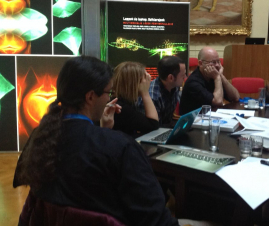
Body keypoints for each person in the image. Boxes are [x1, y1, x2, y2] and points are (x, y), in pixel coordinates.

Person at [13, 56, 179, 226]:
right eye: (108, 92)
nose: (109, 99)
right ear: (90, 97)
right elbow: (157, 220)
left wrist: (103, 132)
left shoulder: (40, 139)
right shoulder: (122, 147)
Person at [179, 47, 240, 115]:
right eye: (213, 62)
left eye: (218, 61)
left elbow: (235, 97)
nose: (217, 65)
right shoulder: (193, 82)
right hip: (194, 122)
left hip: (209, 118)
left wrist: (221, 76)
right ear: (201, 63)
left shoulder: (212, 76)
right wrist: (217, 78)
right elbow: (218, 102)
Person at [112, 62, 159, 137]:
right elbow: (153, 125)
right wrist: (145, 93)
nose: (147, 82)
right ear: (135, 83)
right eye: (144, 79)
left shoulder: (124, 101)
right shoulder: (122, 108)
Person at [138, 56, 186, 126]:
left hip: (166, 128)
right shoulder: (153, 96)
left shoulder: (174, 86)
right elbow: (153, 128)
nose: (185, 77)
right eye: (183, 75)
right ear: (171, 78)